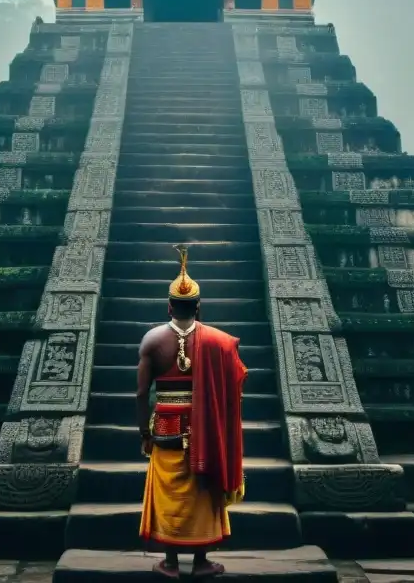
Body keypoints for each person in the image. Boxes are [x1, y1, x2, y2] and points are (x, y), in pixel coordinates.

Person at [137, 244, 248, 579]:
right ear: (198, 307)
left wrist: (144, 434)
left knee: (170, 490)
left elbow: (142, 393)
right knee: (202, 489)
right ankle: (201, 561)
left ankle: (170, 561)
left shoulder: (152, 340)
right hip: (205, 426)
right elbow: (235, 385)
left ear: (169, 306)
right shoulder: (218, 341)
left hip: (167, 425)